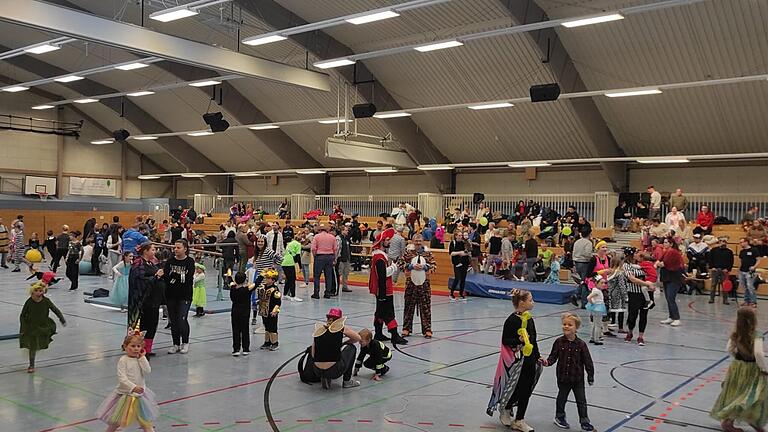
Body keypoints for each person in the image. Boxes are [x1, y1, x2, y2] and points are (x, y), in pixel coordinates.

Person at [487, 289, 542, 431]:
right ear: (521, 303)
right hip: (517, 362)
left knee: (527, 389)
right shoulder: (511, 320)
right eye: (530, 300)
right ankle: (506, 406)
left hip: (530, 360)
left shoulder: (529, 319)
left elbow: (533, 339)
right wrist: (518, 340)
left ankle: (519, 419)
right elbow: (505, 340)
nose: (533, 302)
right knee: (516, 388)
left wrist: (538, 356)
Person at [710, 307, 767, 432]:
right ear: (753, 320)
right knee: (754, 395)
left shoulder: (735, 334)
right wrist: (764, 368)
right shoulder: (756, 335)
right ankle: (749, 420)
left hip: (737, 367)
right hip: (752, 369)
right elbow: (758, 353)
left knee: (736, 393)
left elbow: (729, 349)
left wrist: (737, 356)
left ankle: (735, 420)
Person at [95, 329, 158, 432]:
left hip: (140, 396)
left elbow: (148, 370)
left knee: (145, 422)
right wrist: (133, 387)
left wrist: (142, 358)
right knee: (116, 422)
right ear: (125, 347)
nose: (136, 349)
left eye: (138, 346)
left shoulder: (140, 359)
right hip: (125, 396)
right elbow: (122, 378)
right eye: (132, 346)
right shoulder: (123, 360)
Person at [545, 313, 595, 431]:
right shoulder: (558, 342)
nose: (566, 326)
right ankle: (559, 417)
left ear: (576, 328)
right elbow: (553, 357)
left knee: (581, 400)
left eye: (570, 325)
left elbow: (588, 361)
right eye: (564, 324)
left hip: (577, 379)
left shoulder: (581, 344)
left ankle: (584, 421)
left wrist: (590, 376)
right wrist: (547, 362)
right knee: (562, 398)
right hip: (563, 377)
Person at [369, 228, 408, 344]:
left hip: (382, 289)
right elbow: (383, 274)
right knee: (389, 312)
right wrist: (395, 267)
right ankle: (394, 335)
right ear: (381, 242)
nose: (389, 242)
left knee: (380, 311)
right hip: (384, 289)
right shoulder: (379, 257)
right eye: (387, 240)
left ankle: (378, 333)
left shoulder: (379, 256)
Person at [20, 280, 66, 373]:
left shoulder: (46, 301)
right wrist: (23, 327)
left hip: (43, 325)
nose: (38, 293)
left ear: (43, 291)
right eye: (36, 291)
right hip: (31, 326)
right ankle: (31, 365)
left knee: (41, 343)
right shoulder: (29, 302)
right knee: (32, 346)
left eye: (40, 291)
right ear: (32, 291)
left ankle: (40, 344)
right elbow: (22, 315)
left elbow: (55, 309)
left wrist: (62, 318)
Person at [310, 308, 362, 389]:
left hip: (317, 371)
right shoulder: (341, 329)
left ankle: (325, 376)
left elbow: (313, 354)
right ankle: (347, 381)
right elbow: (358, 338)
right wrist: (344, 343)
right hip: (334, 371)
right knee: (351, 348)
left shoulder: (319, 330)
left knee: (327, 355)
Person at [128, 243, 164, 356]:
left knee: (152, 324)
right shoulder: (138, 263)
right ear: (145, 251)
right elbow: (139, 280)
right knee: (143, 324)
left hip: (154, 300)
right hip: (142, 301)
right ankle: (137, 348)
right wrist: (156, 277)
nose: (154, 252)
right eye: (152, 250)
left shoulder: (151, 263)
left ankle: (147, 348)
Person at [398, 234, 436, 338]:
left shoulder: (428, 253)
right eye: (416, 241)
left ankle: (427, 329)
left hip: (424, 286)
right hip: (411, 285)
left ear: (423, 241)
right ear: (413, 241)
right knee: (408, 307)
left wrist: (425, 267)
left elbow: (434, 266)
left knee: (426, 308)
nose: (418, 243)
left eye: (420, 241)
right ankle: (406, 329)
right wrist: (410, 266)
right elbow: (400, 264)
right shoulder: (408, 253)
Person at [164, 240, 196, 354]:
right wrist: (176, 277)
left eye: (178, 248)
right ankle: (175, 343)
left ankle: (185, 342)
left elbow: (188, 279)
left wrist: (175, 277)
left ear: (185, 249)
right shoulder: (170, 261)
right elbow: (167, 277)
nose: (175, 250)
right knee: (173, 321)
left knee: (182, 319)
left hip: (185, 295)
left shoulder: (189, 261)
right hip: (171, 295)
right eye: (175, 248)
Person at [623, 247, 656, 346]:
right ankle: (630, 332)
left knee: (644, 314)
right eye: (636, 253)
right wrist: (647, 284)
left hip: (646, 293)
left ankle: (641, 336)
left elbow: (650, 273)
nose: (638, 254)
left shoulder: (643, 263)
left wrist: (649, 284)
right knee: (633, 314)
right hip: (634, 292)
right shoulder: (627, 265)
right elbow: (632, 279)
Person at [657, 237, 685, 327]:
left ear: (671, 244)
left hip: (674, 278)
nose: (664, 244)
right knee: (668, 298)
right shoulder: (666, 252)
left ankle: (677, 318)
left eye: (666, 242)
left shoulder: (673, 252)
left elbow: (663, 263)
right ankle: (671, 316)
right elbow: (659, 261)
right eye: (664, 242)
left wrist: (659, 264)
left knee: (671, 298)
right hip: (667, 277)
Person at [229, 271, 256, 356]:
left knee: (236, 330)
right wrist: (262, 276)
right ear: (244, 280)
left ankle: (236, 349)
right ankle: (245, 349)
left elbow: (230, 280)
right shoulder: (247, 289)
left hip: (235, 312)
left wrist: (229, 275)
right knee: (245, 330)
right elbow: (257, 283)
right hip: (245, 313)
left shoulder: (233, 288)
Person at [256, 268, 282, 351]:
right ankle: (267, 342)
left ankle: (275, 342)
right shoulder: (263, 287)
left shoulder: (275, 290)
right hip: (264, 311)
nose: (266, 279)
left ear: (273, 280)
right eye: (266, 278)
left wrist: (275, 310)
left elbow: (278, 302)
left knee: (272, 327)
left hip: (271, 312)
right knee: (266, 327)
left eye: (268, 278)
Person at [311, 224, 337, 299]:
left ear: (319, 230)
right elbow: (335, 249)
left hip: (319, 256)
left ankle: (316, 293)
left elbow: (313, 248)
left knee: (317, 276)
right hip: (330, 257)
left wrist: (315, 256)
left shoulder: (317, 237)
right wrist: (334, 258)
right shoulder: (332, 237)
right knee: (328, 276)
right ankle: (328, 293)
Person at [708, 237, 734, 305]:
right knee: (713, 285)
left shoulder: (729, 251)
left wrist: (728, 269)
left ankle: (725, 300)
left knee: (724, 285)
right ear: (719, 242)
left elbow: (731, 262)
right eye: (721, 241)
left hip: (724, 270)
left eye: (724, 241)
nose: (723, 242)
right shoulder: (713, 250)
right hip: (715, 269)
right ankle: (711, 298)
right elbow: (710, 259)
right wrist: (712, 267)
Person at [572, 230, 593, 308]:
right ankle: (581, 299)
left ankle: (577, 295)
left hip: (577, 262)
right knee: (585, 282)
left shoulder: (577, 242)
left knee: (583, 281)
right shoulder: (588, 243)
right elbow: (587, 254)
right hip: (584, 263)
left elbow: (573, 252)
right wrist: (593, 257)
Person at [449, 230, 470, 301]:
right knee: (457, 278)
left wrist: (465, 253)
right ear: (456, 236)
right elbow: (451, 253)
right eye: (459, 235)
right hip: (457, 263)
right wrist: (459, 253)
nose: (461, 237)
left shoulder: (464, 243)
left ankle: (461, 294)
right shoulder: (453, 243)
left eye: (462, 235)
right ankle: (451, 293)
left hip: (464, 262)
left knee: (463, 279)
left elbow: (467, 252)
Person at [738, 238, 759, 308]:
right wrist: (739, 270)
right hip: (742, 271)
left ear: (746, 242)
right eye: (740, 242)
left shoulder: (754, 250)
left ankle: (754, 302)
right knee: (745, 287)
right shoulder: (742, 251)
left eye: (742, 242)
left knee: (750, 286)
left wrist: (754, 267)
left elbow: (758, 260)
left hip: (750, 272)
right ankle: (747, 301)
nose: (741, 244)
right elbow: (741, 261)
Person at [586, 276, 607, 345]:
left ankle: (592, 338)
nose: (604, 284)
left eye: (604, 283)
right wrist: (593, 304)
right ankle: (597, 339)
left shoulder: (594, 289)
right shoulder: (597, 291)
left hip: (596, 308)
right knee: (598, 324)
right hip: (598, 308)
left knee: (595, 324)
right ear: (596, 283)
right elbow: (588, 297)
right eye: (602, 283)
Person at [282, 234, 302, 301]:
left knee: (288, 279)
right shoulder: (298, 244)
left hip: (284, 262)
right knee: (292, 280)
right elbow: (298, 257)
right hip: (289, 263)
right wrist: (300, 266)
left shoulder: (289, 244)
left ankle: (285, 295)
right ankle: (293, 296)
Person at [335, 225, 353, 293]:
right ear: (342, 231)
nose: (347, 231)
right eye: (346, 230)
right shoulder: (338, 238)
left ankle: (345, 286)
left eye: (347, 230)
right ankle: (336, 287)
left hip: (347, 259)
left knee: (346, 274)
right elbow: (337, 249)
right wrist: (336, 258)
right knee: (339, 273)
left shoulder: (346, 239)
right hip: (341, 259)